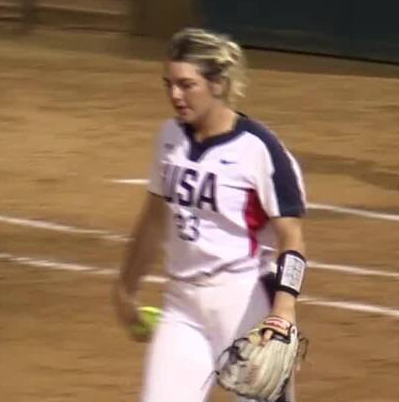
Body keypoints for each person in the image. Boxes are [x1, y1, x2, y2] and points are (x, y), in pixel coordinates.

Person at [113, 28, 307, 402]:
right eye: (169, 84)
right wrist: (125, 287)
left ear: (217, 84)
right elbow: (154, 220)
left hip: (246, 305)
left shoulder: (259, 149)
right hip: (182, 305)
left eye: (187, 85)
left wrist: (284, 310)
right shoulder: (169, 137)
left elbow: (292, 238)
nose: (175, 95)